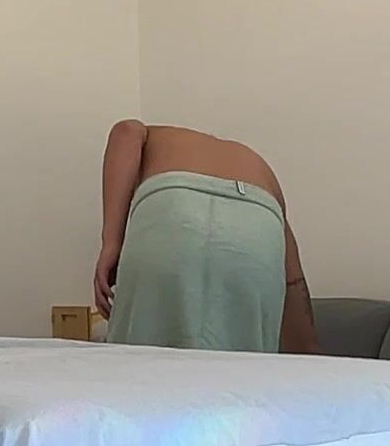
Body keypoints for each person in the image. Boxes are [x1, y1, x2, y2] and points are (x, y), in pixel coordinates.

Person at [93, 119, 318, 356]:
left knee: (142, 357)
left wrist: (111, 242)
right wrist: (312, 357)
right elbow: (294, 283)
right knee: (243, 363)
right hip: (259, 214)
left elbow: (126, 131)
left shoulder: (159, 136)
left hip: (176, 198)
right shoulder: (258, 167)